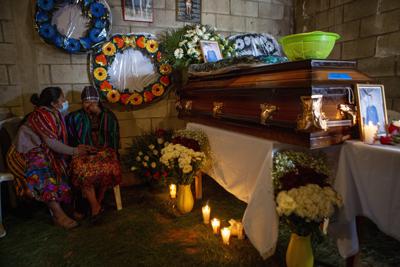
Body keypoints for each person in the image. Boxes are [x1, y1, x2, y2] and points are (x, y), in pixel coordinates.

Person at [14, 87, 91, 229]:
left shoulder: (53, 112)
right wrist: (75, 151)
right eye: (62, 99)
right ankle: (58, 214)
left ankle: (67, 208)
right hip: (25, 152)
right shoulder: (42, 115)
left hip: (43, 149)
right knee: (44, 170)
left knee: (62, 164)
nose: (65, 101)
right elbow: (52, 142)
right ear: (54, 103)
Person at [66, 86, 121, 221]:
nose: (90, 105)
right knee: (82, 169)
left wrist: (100, 113)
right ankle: (95, 205)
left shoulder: (108, 116)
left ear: (99, 102)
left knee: (109, 167)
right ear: (82, 103)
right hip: (83, 155)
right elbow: (69, 140)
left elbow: (113, 139)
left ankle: (97, 203)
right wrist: (80, 148)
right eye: (86, 102)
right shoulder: (74, 117)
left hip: (104, 153)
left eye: (93, 102)